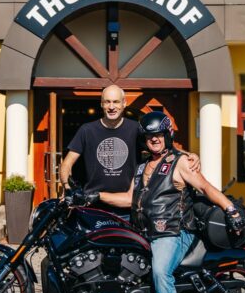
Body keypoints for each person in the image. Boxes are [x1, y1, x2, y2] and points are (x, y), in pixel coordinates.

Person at [92, 111, 244, 293]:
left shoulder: (181, 162)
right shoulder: (142, 168)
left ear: (167, 135)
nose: (154, 139)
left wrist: (230, 209)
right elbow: (129, 199)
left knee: (161, 272)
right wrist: (98, 196)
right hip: (144, 232)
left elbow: (205, 186)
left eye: (159, 135)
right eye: (150, 136)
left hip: (173, 232)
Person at [59, 85, 198, 215]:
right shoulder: (87, 130)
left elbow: (163, 148)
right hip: (92, 206)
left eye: (116, 102)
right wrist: (67, 187)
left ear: (124, 104)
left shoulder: (136, 129)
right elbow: (67, 163)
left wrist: (189, 155)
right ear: (101, 104)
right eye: (107, 102)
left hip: (126, 206)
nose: (111, 107)